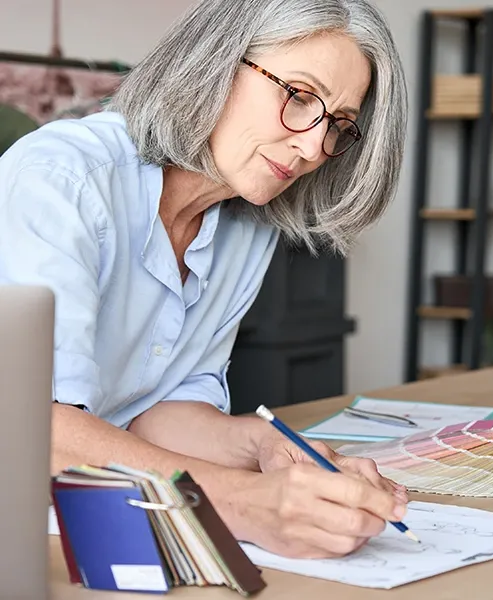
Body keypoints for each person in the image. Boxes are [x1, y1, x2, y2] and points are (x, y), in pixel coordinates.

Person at [0, 0, 407, 559]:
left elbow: (162, 412)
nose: (314, 147)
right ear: (214, 61)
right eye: (298, 96)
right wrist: (244, 503)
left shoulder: (250, 221)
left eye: (338, 124)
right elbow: (33, 429)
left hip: (99, 511)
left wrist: (269, 448)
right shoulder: (61, 179)